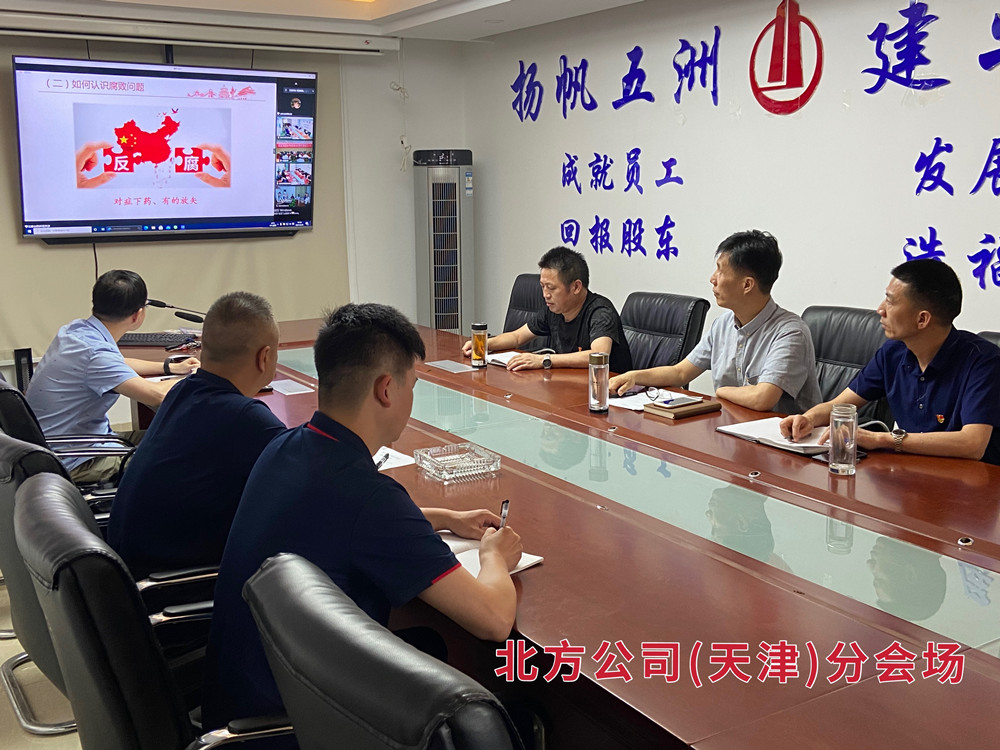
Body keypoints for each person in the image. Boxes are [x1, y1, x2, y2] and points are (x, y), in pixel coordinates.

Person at [202, 303, 522, 727]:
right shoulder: (371, 498)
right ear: (386, 389)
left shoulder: (286, 446)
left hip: (241, 697)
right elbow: (494, 621)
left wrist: (442, 517)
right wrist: (495, 556)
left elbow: (339, 520)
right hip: (296, 723)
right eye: (412, 386)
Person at [107, 292, 285, 578]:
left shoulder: (182, 391)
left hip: (129, 572)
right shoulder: (248, 419)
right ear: (265, 357)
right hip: (176, 585)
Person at [780, 259, 1000, 464]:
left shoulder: (983, 361)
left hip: (972, 480)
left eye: (891, 301)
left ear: (922, 319)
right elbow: (841, 406)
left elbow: (972, 444)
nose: (880, 310)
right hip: (911, 471)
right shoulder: (893, 352)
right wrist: (808, 418)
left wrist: (881, 439)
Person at [609, 230, 821, 414]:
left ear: (747, 285)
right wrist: (634, 377)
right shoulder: (723, 325)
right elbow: (680, 373)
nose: (713, 278)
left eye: (720, 270)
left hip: (785, 442)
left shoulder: (790, 332)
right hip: (732, 431)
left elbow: (762, 398)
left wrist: (721, 391)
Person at [26, 270, 199, 484]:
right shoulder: (95, 354)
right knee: (182, 453)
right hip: (76, 460)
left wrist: (169, 367)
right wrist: (198, 377)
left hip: (64, 446)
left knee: (171, 436)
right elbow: (158, 396)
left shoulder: (77, 331)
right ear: (138, 315)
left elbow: (117, 363)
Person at [462, 246, 633, 372]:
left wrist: (544, 360)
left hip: (607, 393)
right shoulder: (554, 310)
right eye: (542, 286)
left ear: (576, 287)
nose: (545, 294)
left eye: (551, 288)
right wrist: (482, 344)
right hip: (568, 385)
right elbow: (517, 337)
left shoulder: (600, 312)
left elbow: (599, 354)